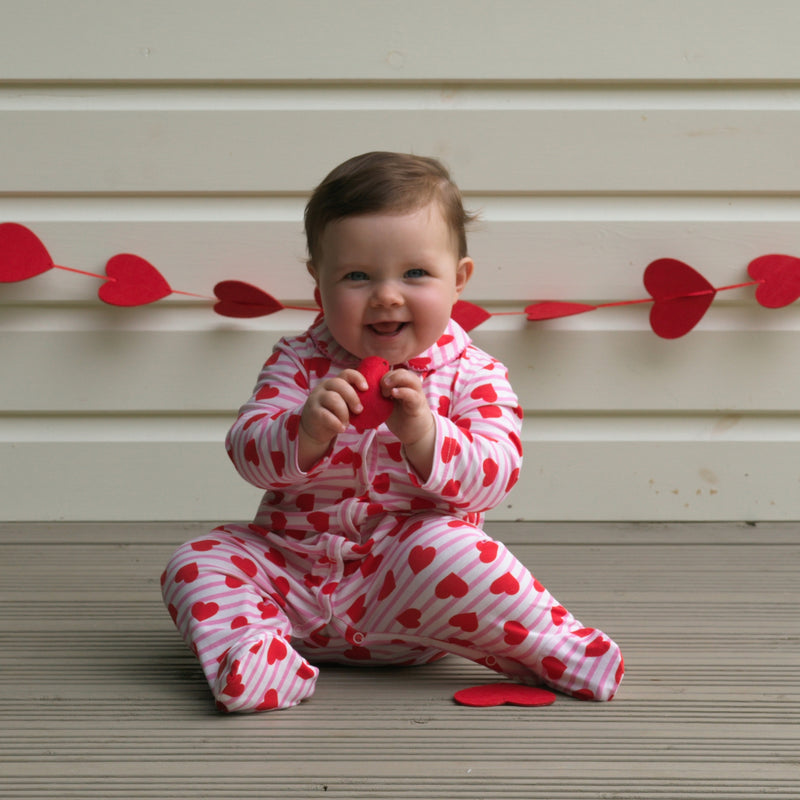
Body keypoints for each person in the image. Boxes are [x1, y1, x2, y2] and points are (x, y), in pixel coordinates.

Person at [161, 151, 624, 712]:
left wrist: (427, 436)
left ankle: (559, 649)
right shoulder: (300, 362)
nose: (386, 294)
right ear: (319, 284)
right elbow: (247, 450)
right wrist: (304, 430)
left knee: (458, 549)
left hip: (410, 593)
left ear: (459, 280)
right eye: (357, 275)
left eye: (415, 273)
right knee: (198, 559)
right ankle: (258, 658)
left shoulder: (473, 372)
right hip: (293, 574)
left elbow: (496, 476)